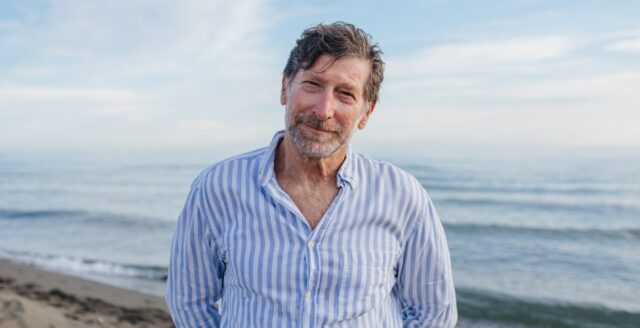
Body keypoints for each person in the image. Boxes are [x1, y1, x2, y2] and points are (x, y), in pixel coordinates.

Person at [165, 21, 457, 327]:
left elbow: (433, 313)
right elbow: (190, 302)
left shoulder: (403, 196)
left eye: (345, 94)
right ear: (284, 88)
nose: (323, 110)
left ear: (365, 113)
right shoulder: (217, 188)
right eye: (313, 85)